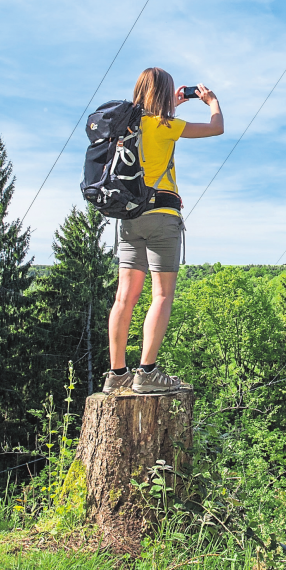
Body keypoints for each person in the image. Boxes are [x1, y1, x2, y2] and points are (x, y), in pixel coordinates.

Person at [103, 67, 224, 394]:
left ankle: (116, 375)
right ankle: (147, 372)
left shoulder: (123, 127)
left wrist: (167, 104)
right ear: (165, 95)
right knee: (161, 294)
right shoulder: (166, 127)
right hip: (162, 215)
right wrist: (211, 101)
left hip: (129, 217)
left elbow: (149, 119)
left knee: (124, 298)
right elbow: (217, 128)